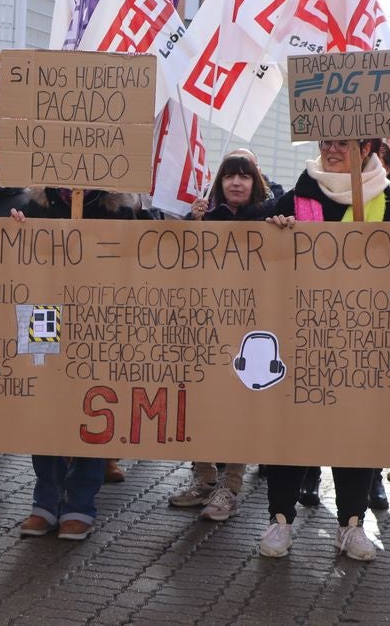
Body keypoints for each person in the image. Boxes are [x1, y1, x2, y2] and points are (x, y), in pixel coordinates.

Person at [260, 137, 390, 561]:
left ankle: (351, 524)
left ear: (365, 147)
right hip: (300, 340)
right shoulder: (294, 198)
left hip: (363, 345)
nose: (331, 150)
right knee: (291, 432)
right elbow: (242, 242)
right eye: (326, 141)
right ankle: (280, 520)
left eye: (342, 142)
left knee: (356, 435)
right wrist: (270, 230)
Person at [17, 187, 141, 540]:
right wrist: (15, 231)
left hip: (98, 315)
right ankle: (45, 500)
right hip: (41, 314)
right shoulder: (32, 208)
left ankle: (80, 504)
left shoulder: (120, 212)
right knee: (44, 403)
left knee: (91, 407)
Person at [171, 152, 269, 521]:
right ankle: (204, 478)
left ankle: (230, 487)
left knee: (240, 408)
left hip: (251, 332)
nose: (236, 183)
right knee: (201, 403)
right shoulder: (204, 218)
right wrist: (189, 224)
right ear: (219, 182)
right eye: (229, 176)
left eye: (244, 176)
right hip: (205, 329)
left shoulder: (267, 217)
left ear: (254, 181)